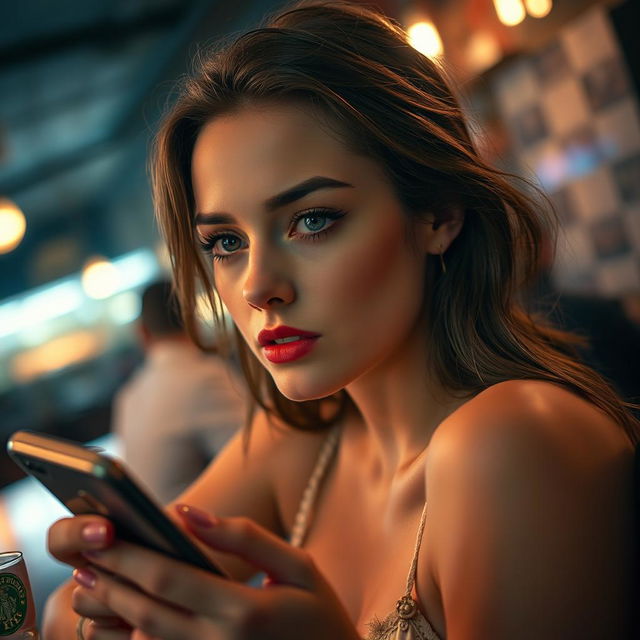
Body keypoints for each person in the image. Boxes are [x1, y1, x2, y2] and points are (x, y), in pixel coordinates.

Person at [43, 2, 640, 639]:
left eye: (312, 220)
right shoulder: (305, 444)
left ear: (437, 215)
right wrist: (101, 604)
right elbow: (60, 615)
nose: (257, 287)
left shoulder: (513, 441)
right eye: (225, 243)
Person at [111, 280, 247, 503]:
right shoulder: (204, 378)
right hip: (194, 531)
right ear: (193, 320)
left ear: (143, 332)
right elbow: (259, 459)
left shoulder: (127, 396)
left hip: (159, 528)